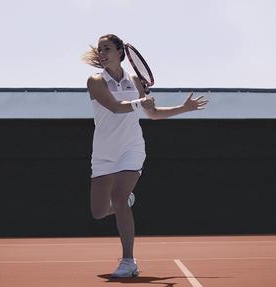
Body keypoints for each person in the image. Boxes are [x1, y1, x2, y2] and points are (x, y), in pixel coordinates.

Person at [83, 34, 208, 278]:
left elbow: (153, 114)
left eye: (107, 48)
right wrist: (141, 101)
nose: (102, 52)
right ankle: (127, 202)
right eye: (100, 49)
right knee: (98, 212)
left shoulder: (134, 81)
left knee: (118, 197)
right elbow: (115, 107)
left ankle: (128, 261)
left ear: (121, 52)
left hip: (131, 148)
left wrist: (184, 108)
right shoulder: (95, 81)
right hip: (103, 153)